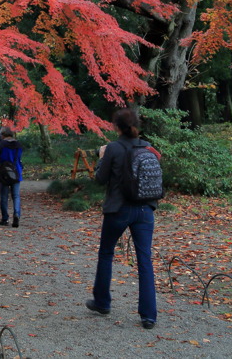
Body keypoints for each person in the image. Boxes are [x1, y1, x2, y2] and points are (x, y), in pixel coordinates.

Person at [86, 108, 159, 329]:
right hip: (145, 209)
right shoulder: (147, 147)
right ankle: (148, 316)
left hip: (119, 209)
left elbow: (101, 179)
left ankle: (102, 302)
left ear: (116, 127)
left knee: (107, 252)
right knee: (144, 259)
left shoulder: (114, 149)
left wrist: (101, 158)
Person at [0, 126, 23, 227]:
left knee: (4, 196)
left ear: (3, 135)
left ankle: (5, 218)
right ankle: (16, 214)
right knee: (16, 196)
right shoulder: (18, 145)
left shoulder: (0, 145)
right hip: (16, 171)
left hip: (4, 173)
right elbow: (20, 158)